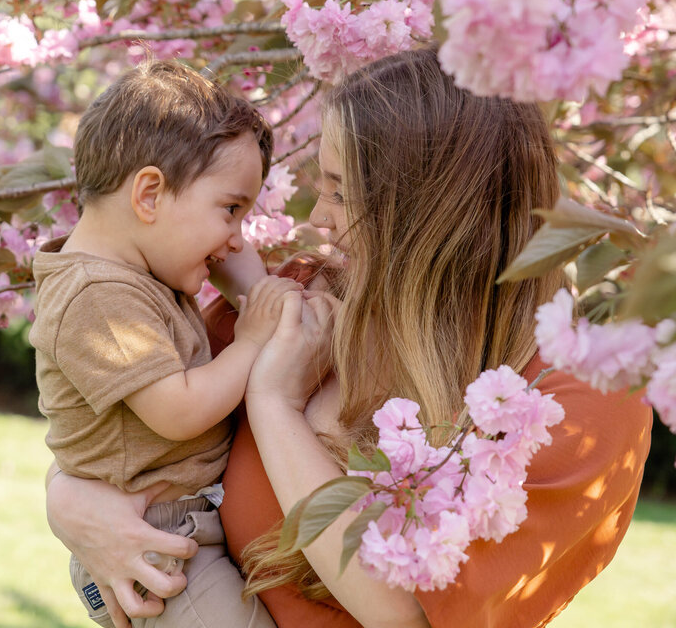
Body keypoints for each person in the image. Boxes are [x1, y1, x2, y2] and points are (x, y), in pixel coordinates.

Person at [45, 47, 653, 628]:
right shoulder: (311, 303)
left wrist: (275, 404)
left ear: (423, 212)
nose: (318, 218)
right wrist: (69, 501)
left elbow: (405, 613)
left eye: (340, 189)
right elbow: (130, 425)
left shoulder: (576, 408)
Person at [32, 58, 319, 628]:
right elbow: (179, 410)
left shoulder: (141, 272)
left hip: (179, 530)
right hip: (158, 542)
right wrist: (252, 335)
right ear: (149, 195)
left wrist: (248, 285)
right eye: (231, 209)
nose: (237, 238)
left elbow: (227, 257)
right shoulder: (98, 294)